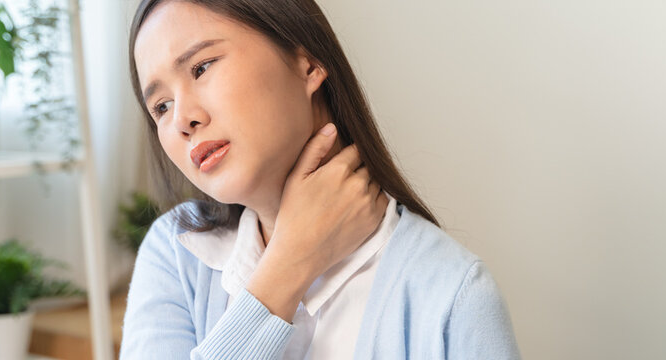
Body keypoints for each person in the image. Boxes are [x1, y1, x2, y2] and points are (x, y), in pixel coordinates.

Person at [120, 0, 521, 359]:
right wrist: (288, 267)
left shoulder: (454, 296)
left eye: (201, 67)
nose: (182, 120)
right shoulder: (177, 253)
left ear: (307, 63)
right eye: (161, 106)